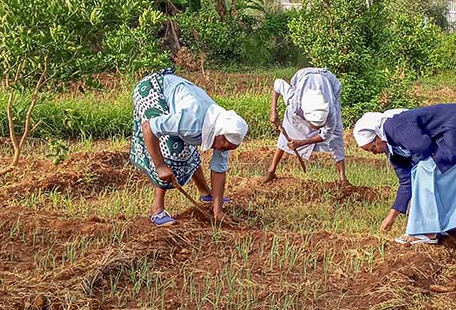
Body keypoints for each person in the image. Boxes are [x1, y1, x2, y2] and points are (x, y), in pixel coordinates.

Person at [352, 103, 456, 245]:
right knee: (428, 172)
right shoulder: (393, 152)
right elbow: (406, 182)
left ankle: (426, 232)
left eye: (372, 148)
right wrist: (391, 217)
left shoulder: (393, 126)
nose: (375, 153)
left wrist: (415, 164)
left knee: (425, 171)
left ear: (377, 136)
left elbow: (422, 146)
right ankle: (451, 228)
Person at [129, 69, 248, 226]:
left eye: (229, 148)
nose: (223, 149)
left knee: (188, 145)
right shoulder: (191, 122)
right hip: (153, 89)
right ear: (218, 134)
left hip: (179, 96)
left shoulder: (225, 132)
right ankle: (156, 209)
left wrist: (218, 210)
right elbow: (148, 128)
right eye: (224, 146)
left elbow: (219, 169)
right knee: (175, 149)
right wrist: (160, 166)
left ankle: (206, 193)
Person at [263, 67, 348, 186]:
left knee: (336, 134)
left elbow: (327, 134)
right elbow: (278, 83)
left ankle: (343, 178)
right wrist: (273, 111)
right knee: (288, 126)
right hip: (303, 76)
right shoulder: (296, 104)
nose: (317, 129)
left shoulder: (330, 112)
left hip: (330, 82)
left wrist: (301, 142)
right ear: (306, 116)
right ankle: (271, 170)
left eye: (320, 126)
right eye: (315, 125)